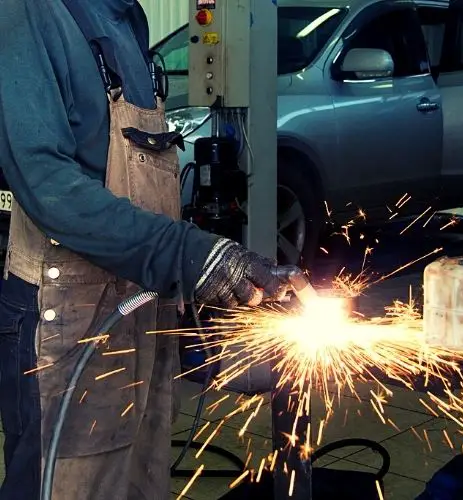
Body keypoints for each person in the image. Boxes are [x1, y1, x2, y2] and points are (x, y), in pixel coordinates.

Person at [0, 0, 281, 498]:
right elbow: (50, 188)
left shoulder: (127, 17)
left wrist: (201, 262)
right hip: (66, 321)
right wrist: (190, 256)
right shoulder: (27, 13)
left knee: (137, 477)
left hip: (140, 312)